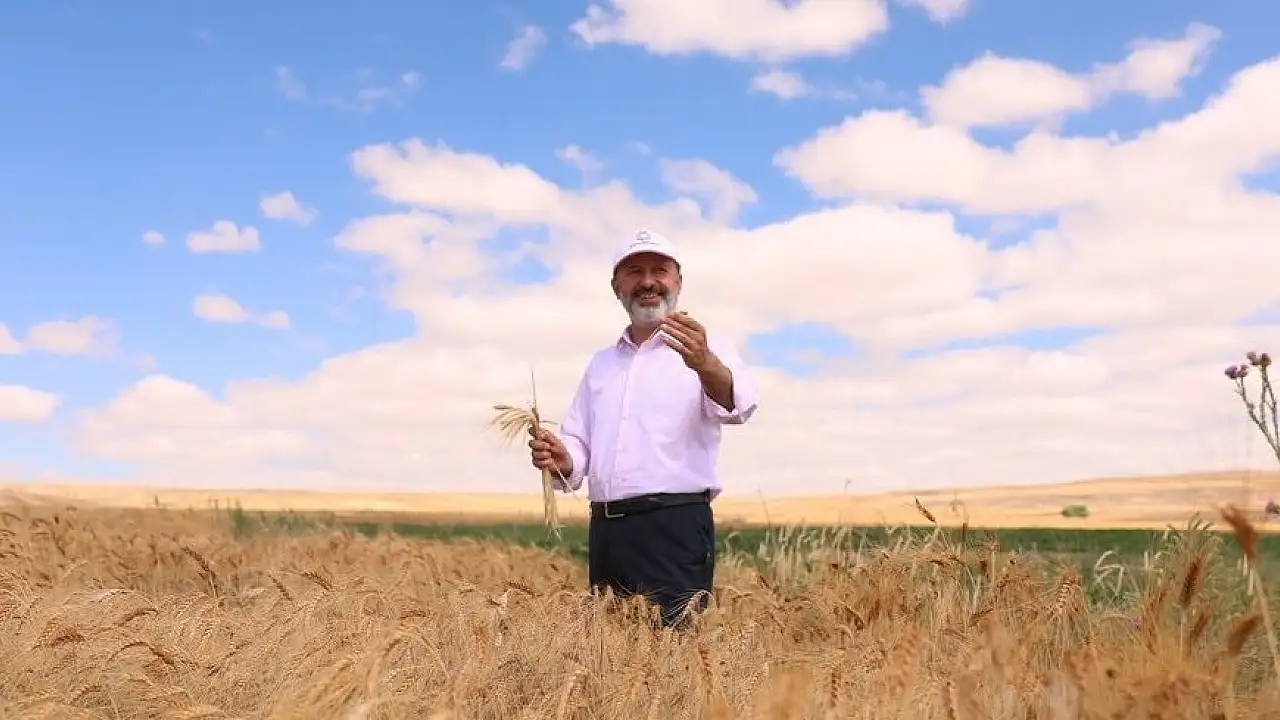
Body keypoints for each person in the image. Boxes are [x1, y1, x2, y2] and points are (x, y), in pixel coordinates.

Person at [527, 229, 759, 628]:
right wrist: (563, 459)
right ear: (616, 287)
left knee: (673, 649)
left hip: (674, 525)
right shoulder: (601, 364)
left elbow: (737, 404)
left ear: (678, 281)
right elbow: (579, 441)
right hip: (606, 530)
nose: (648, 282)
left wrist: (704, 363)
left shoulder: (707, 347)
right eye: (635, 272)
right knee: (610, 649)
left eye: (659, 271)